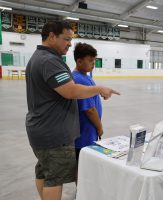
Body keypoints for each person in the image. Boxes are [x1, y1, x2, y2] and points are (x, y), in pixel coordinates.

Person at [25, 21, 119, 200]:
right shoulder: (50, 60)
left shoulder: (38, 57)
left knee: (44, 172)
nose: (69, 43)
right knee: (54, 179)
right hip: (53, 133)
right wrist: (100, 89)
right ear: (52, 36)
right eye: (66, 39)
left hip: (40, 129)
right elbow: (70, 91)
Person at [72, 43, 103, 162]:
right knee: (83, 167)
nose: (93, 63)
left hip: (88, 131)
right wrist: (99, 127)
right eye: (90, 60)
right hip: (84, 133)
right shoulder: (79, 79)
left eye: (94, 60)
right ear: (79, 61)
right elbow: (89, 110)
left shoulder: (85, 77)